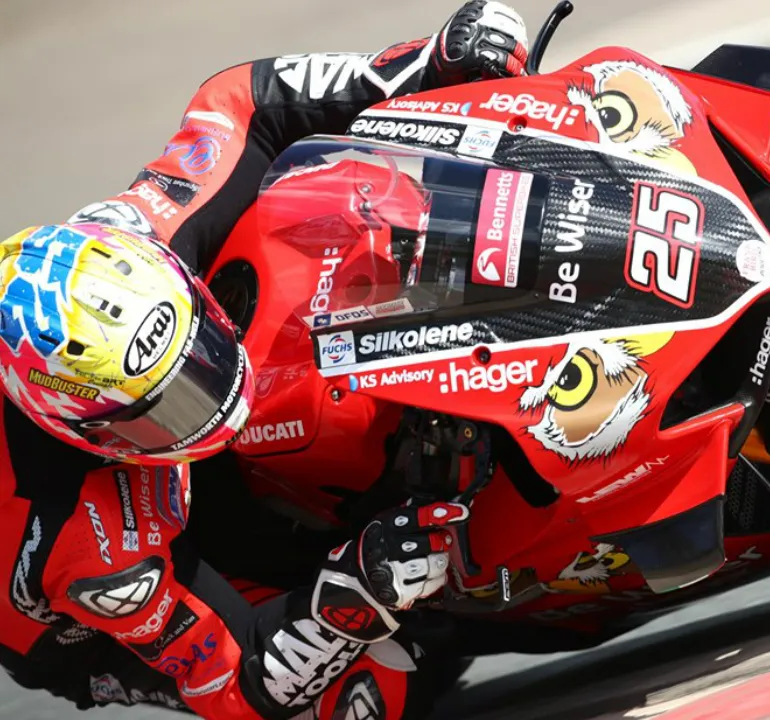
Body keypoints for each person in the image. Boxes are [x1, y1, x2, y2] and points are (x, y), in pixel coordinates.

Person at [0, 2, 530, 718]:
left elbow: (239, 104)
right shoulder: (87, 552)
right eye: (167, 409)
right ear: (83, 430)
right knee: (368, 693)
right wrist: (355, 592)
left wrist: (419, 65)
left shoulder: (133, 237)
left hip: (141, 454)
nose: (213, 399)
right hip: (97, 614)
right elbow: (236, 684)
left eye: (199, 355)